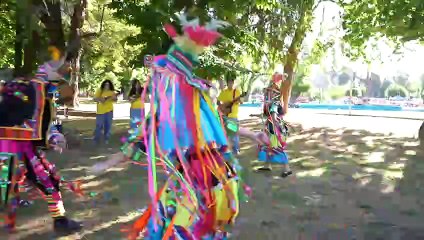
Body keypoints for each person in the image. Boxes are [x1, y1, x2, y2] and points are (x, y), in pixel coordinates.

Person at [91, 14, 252, 239]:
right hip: (189, 178)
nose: (154, 80)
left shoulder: (198, 106)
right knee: (171, 223)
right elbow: (139, 142)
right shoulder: (165, 113)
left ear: (174, 79)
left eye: (160, 75)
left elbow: (225, 126)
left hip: (208, 178)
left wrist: (254, 134)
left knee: (187, 228)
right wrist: (106, 164)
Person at [0, 46, 83, 234]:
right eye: (64, 69)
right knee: (43, 181)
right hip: (15, 146)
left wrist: (53, 136)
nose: (66, 73)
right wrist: (53, 137)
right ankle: (59, 222)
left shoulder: (30, 87)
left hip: (16, 145)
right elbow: (34, 124)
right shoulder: (36, 88)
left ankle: (10, 223)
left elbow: (33, 121)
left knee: (14, 184)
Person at [250, 72, 292, 177]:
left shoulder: (274, 103)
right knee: (267, 145)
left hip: (274, 127)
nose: (266, 95)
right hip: (271, 126)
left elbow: (274, 117)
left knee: (275, 146)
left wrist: (278, 126)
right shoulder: (274, 102)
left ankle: (287, 168)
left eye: (268, 93)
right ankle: (267, 165)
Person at [217, 76, 243, 155]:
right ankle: (224, 149)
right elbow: (218, 101)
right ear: (227, 83)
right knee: (225, 133)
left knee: (234, 134)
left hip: (233, 115)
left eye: (231, 82)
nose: (230, 84)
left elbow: (241, 102)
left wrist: (237, 101)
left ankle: (236, 149)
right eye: (229, 82)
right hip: (224, 116)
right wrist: (222, 106)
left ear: (233, 83)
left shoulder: (236, 92)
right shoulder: (223, 92)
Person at [93, 80, 117, 144]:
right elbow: (94, 99)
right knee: (99, 126)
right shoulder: (99, 90)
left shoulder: (112, 92)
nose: (107, 86)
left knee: (108, 126)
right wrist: (101, 99)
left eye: (108, 85)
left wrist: (113, 98)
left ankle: (106, 138)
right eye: (106, 84)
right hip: (100, 112)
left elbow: (115, 100)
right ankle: (96, 139)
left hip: (109, 111)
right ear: (103, 84)